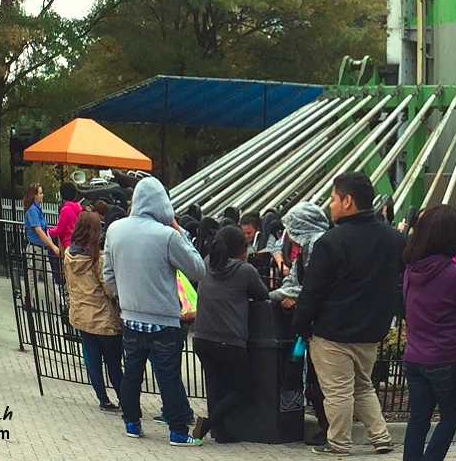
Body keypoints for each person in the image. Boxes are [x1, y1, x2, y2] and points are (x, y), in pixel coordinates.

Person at [293, 172, 404, 457]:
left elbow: (313, 291)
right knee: (362, 386)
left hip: (333, 331)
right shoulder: (393, 239)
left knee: (338, 391)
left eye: (332, 199)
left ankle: (339, 444)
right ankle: (381, 437)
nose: (330, 205)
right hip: (371, 330)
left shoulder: (331, 242)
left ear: (348, 200)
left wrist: (302, 325)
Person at [103, 176, 206, 446]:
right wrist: (179, 229)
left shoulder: (115, 230)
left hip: (130, 317)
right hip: (164, 321)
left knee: (132, 374)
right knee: (168, 378)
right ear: (163, 204)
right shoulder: (168, 236)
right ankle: (178, 433)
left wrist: (125, 295)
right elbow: (198, 269)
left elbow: (108, 275)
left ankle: (132, 423)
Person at [401, 205, 456, 461]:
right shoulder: (455, 276)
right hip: (445, 358)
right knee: (451, 416)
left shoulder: (410, 271)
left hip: (414, 356)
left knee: (418, 418)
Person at [191, 225, 269, 443]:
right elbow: (262, 295)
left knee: (215, 387)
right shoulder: (244, 270)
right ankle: (208, 424)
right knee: (242, 389)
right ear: (240, 249)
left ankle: (220, 432)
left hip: (201, 337)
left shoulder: (206, 263)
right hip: (229, 341)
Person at [268, 201, 332, 445]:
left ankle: (330, 430)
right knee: (315, 382)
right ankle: (326, 428)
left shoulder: (318, 248)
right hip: (310, 325)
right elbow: (293, 285)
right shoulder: (303, 252)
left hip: (321, 325)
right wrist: (285, 295)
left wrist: (279, 296)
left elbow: (307, 288)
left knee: (321, 383)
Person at [64, 210, 123, 412]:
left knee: (93, 360)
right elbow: (108, 288)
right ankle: (125, 400)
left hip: (80, 314)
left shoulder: (68, 254)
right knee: (114, 363)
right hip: (101, 317)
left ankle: (103, 399)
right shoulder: (96, 258)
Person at [24, 183, 63, 290]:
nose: (42, 195)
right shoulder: (33, 210)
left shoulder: (38, 210)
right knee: (32, 278)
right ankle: (28, 301)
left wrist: (48, 238)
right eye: (40, 193)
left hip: (41, 249)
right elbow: (38, 231)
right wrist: (53, 246)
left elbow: (43, 230)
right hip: (35, 249)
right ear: (35, 195)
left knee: (49, 278)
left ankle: (60, 302)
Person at [50, 182, 82, 251]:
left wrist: (47, 231)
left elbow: (59, 230)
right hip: (78, 243)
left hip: (68, 243)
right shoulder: (79, 208)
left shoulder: (65, 209)